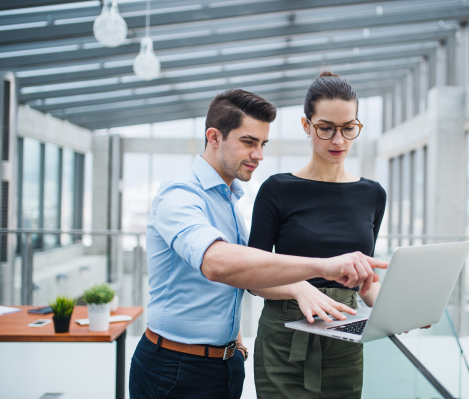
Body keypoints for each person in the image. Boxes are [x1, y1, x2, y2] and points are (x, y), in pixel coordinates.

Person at [128, 88, 388, 399]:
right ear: (214, 137)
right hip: (175, 365)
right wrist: (312, 274)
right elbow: (216, 263)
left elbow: (241, 278)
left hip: (225, 362)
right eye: (249, 142)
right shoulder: (179, 195)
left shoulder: (230, 203)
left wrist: (233, 343)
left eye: (263, 144)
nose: (259, 155)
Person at [248, 72, 389, 398]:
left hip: (346, 334)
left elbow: (367, 281)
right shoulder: (277, 190)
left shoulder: (373, 194)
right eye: (326, 129)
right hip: (284, 336)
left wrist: (398, 312)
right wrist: (298, 288)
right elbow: (252, 276)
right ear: (306, 125)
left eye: (348, 128)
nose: (338, 140)